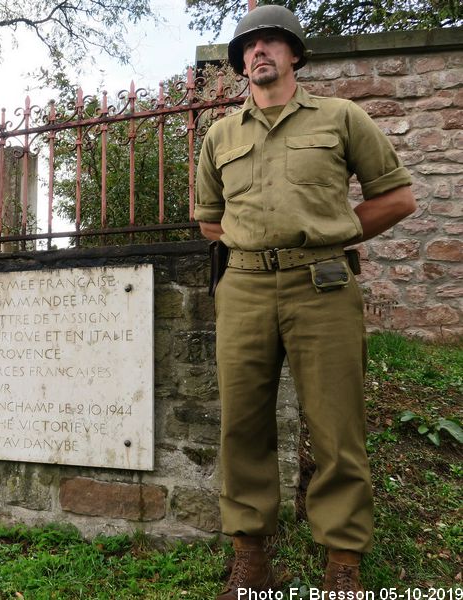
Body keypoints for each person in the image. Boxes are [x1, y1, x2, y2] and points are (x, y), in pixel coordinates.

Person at [194, 5, 416, 597]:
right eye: (249, 46)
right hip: (242, 289)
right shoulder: (221, 135)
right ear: (241, 61)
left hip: (322, 286)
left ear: (294, 54)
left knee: (336, 425)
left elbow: (396, 200)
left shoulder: (341, 118)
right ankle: (250, 554)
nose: (259, 51)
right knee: (241, 423)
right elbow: (209, 220)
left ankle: (342, 559)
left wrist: (331, 231)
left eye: (271, 42)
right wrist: (255, 253)